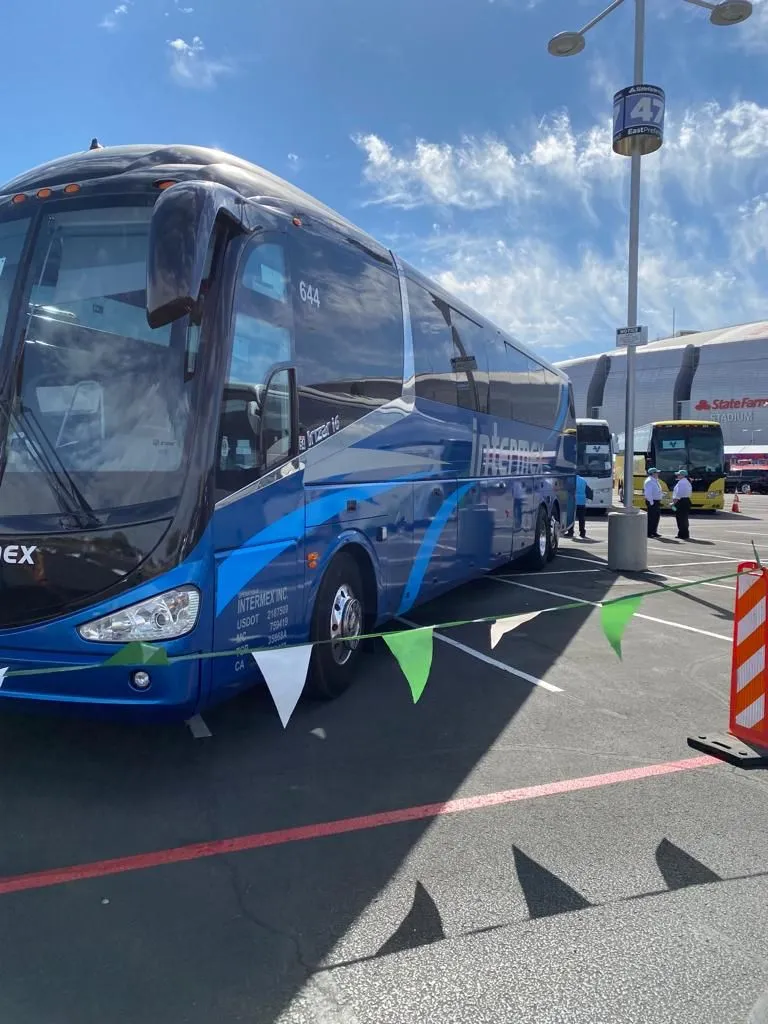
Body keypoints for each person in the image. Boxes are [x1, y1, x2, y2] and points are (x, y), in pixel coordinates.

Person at [568, 474, 593, 539]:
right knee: (581, 518)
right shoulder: (583, 480)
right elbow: (588, 490)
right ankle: (582, 532)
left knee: (572, 518)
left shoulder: (571, 480)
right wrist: (590, 498)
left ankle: (570, 532)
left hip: (573, 501)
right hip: (582, 502)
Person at [672, 468, 692, 540]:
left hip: (681, 502)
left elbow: (678, 494)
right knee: (684, 518)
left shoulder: (681, 483)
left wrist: (673, 503)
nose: (677, 475)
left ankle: (683, 534)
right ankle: (683, 533)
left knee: (681, 518)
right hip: (685, 501)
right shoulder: (686, 482)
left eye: (678, 474)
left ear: (682, 475)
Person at [643, 466, 663, 538]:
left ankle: (654, 532)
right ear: (652, 473)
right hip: (652, 501)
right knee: (651, 518)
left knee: (656, 517)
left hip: (656, 501)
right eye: (657, 473)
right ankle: (649, 533)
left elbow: (656, 491)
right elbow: (648, 493)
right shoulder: (649, 481)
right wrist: (651, 502)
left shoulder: (655, 480)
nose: (658, 474)